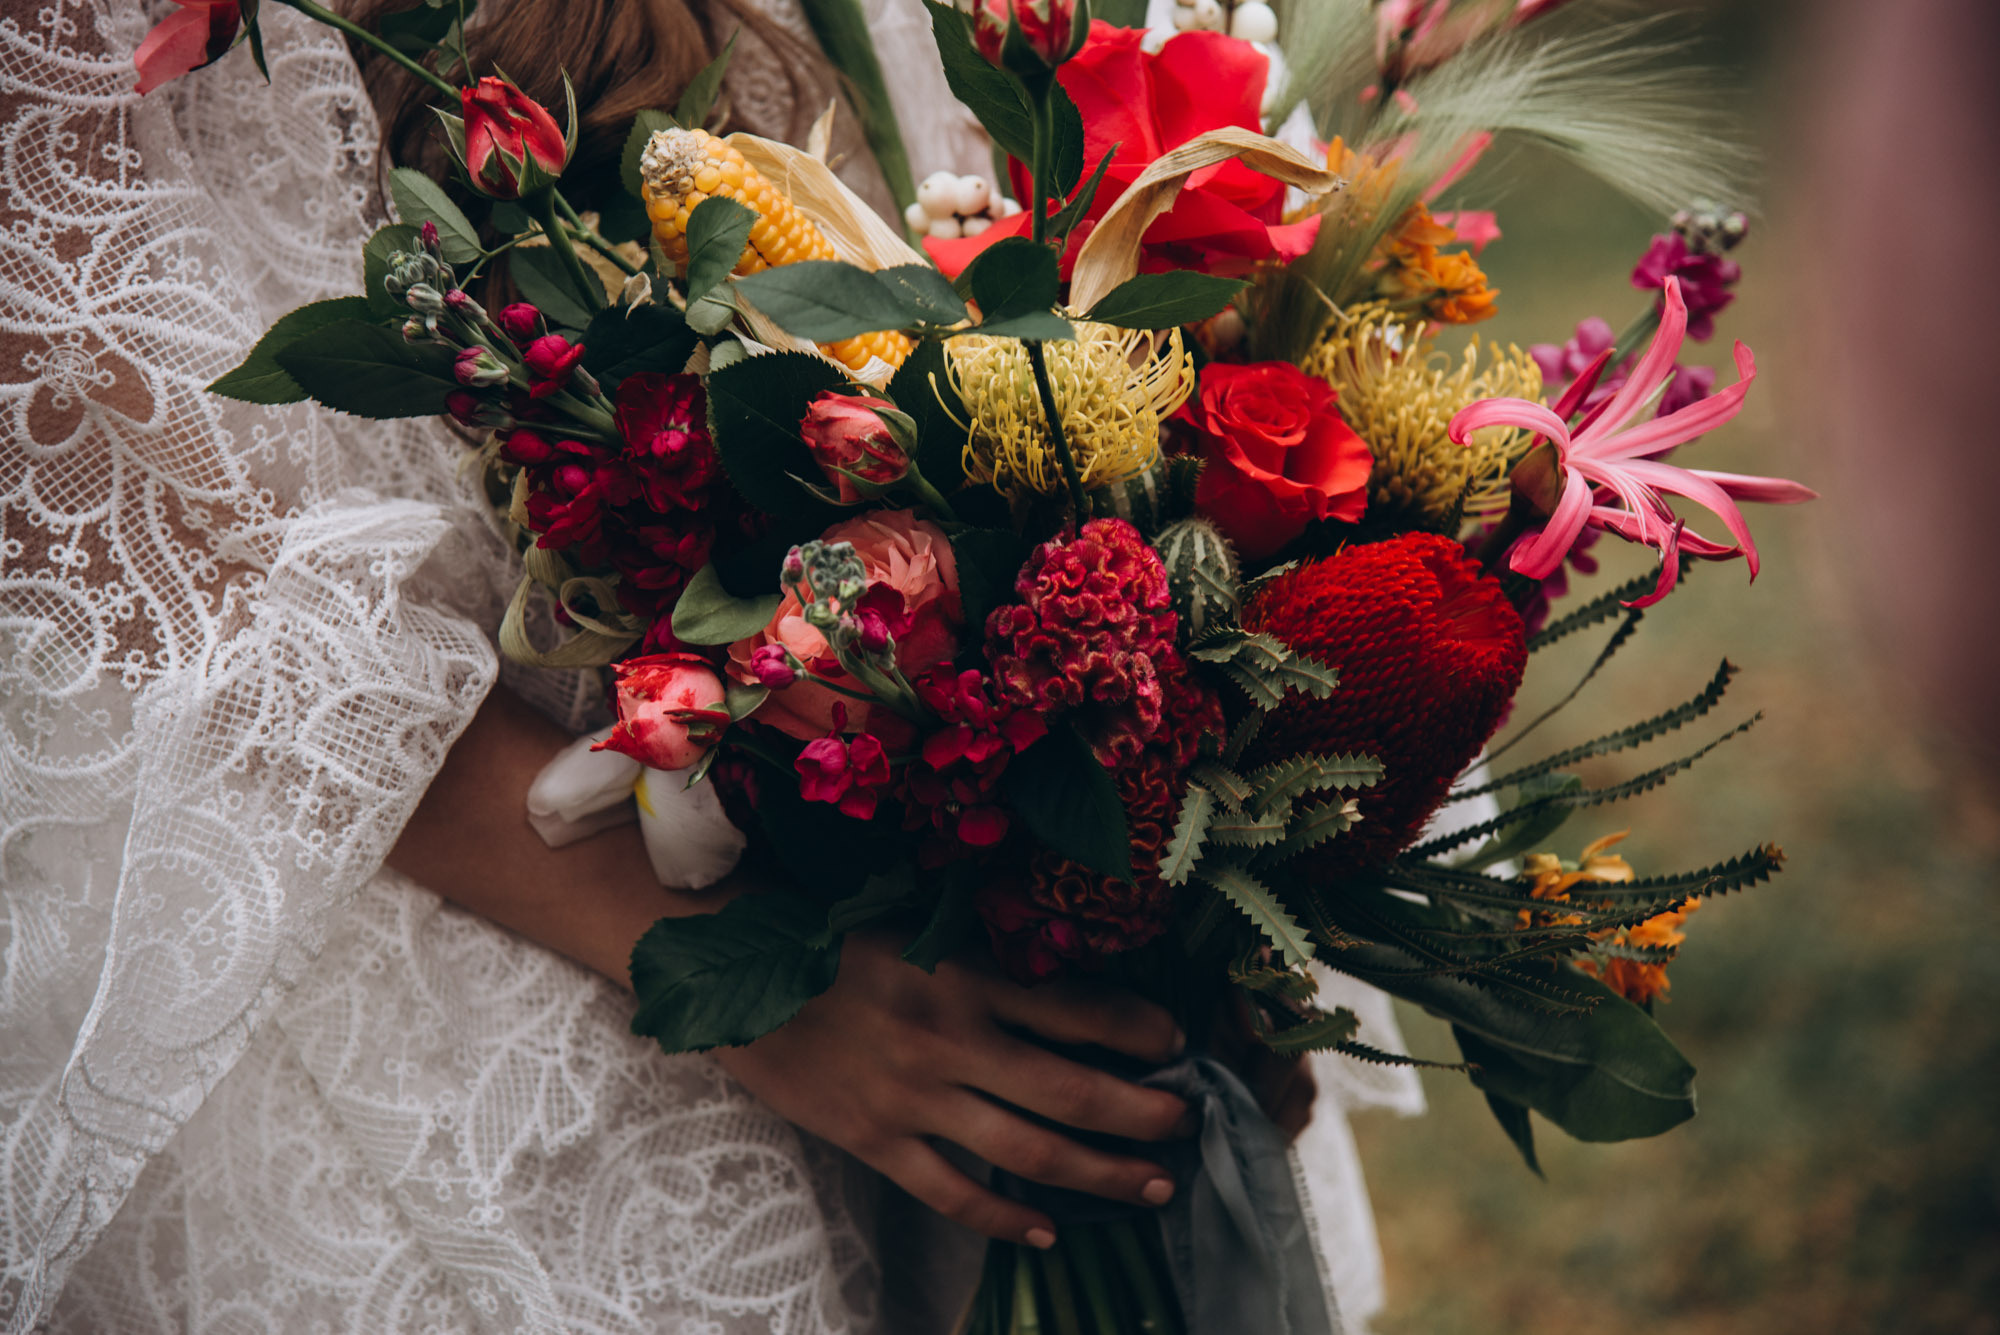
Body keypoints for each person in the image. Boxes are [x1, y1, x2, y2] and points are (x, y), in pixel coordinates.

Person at [0, 2, 1416, 1330]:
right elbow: (125, 537)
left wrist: (1161, 900)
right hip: (457, 893)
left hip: (916, 770)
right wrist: (747, 983)